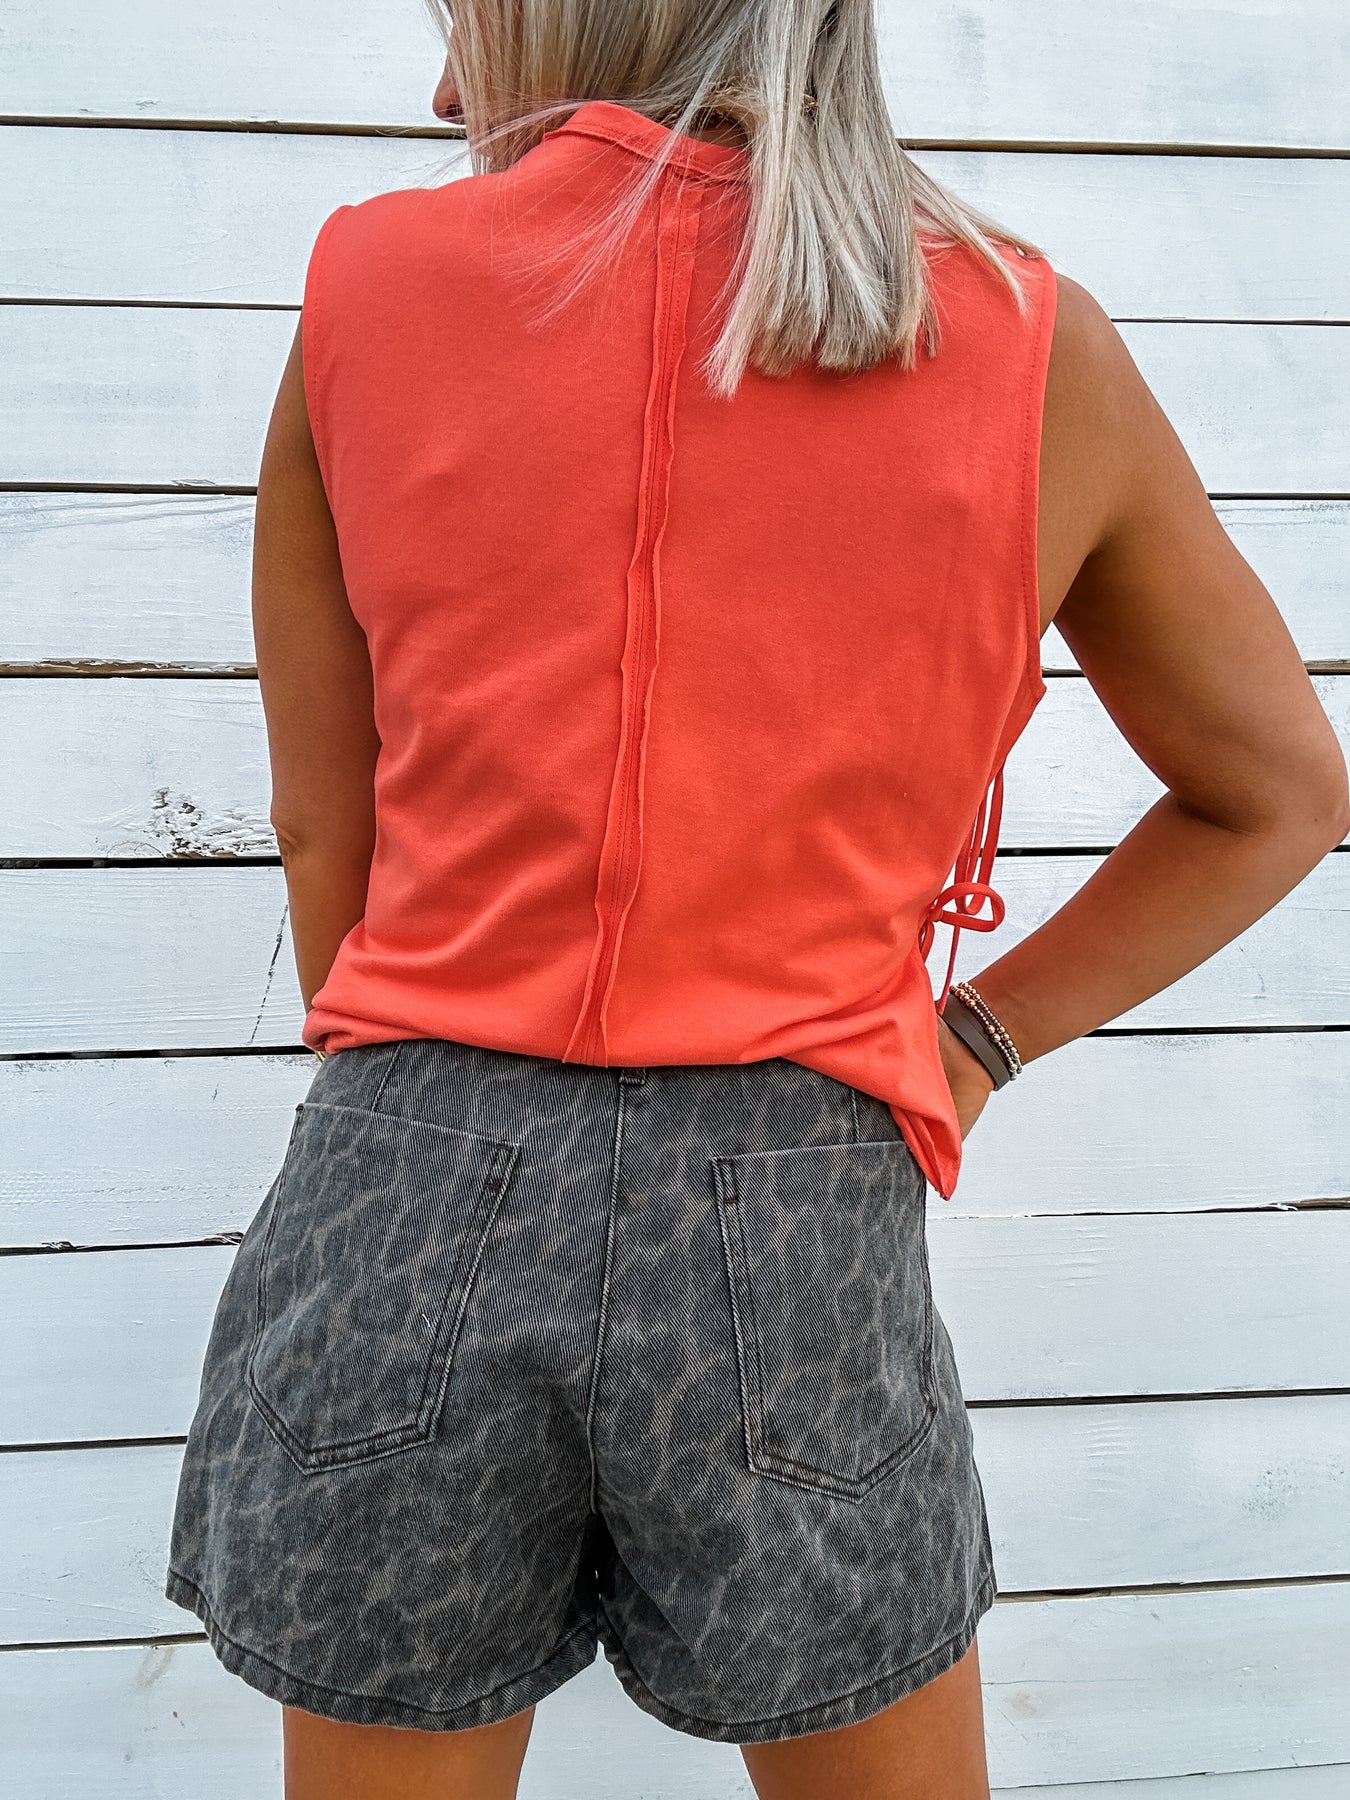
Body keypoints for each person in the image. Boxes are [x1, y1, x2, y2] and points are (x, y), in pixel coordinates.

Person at [164, 3, 1349, 1796]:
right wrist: (972, 1044)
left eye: (466, 23)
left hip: (405, 1170)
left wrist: (427, 1100)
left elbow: (330, 830)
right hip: (797, 1197)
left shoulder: (366, 282)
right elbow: (1275, 792)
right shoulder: (1029, 338)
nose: (445, 89)